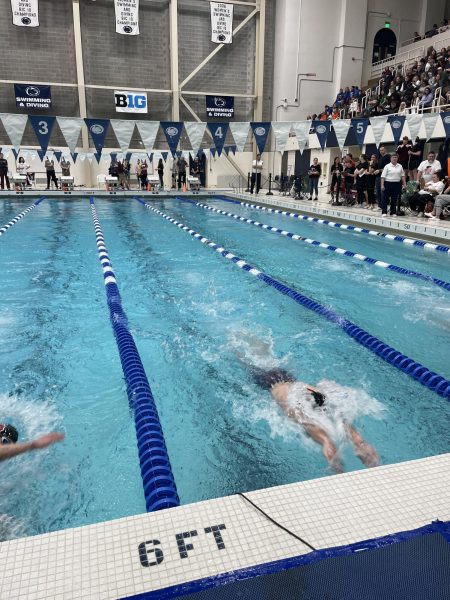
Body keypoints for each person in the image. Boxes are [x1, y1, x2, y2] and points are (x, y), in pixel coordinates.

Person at [250, 368, 380, 473]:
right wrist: (360, 443)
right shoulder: (309, 403)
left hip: (281, 383)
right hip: (281, 383)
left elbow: (318, 432)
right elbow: (343, 428)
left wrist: (328, 445)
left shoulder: (299, 406)